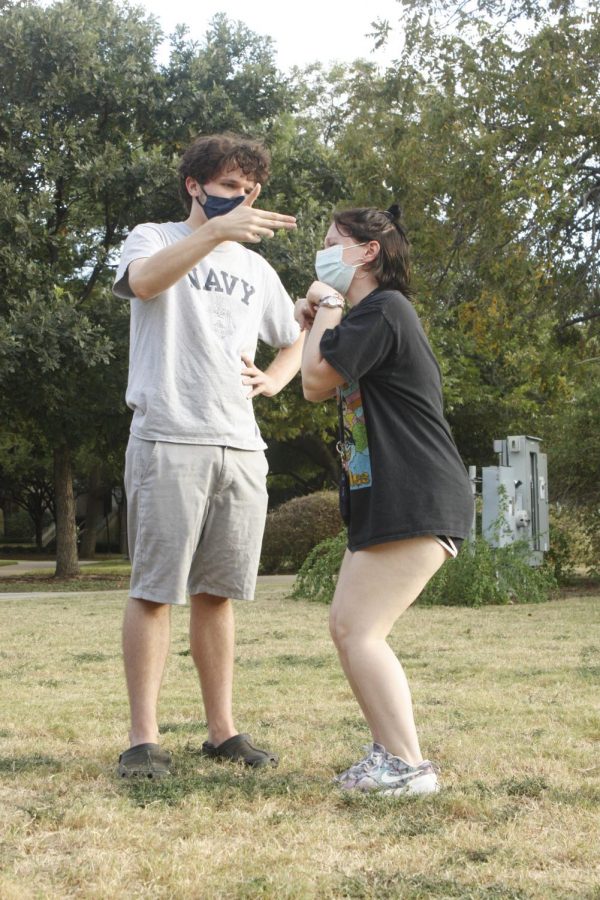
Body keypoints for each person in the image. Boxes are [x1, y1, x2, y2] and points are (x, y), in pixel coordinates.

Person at [112, 133, 303, 778]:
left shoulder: (258, 270)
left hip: (241, 444)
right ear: (194, 186)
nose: (242, 200)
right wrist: (219, 233)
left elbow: (296, 335)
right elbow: (142, 284)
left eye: (250, 192)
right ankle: (144, 738)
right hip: (168, 435)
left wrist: (277, 378)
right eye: (229, 188)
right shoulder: (154, 237)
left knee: (216, 594)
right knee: (154, 591)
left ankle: (222, 732)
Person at [295, 204, 474, 796]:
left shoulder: (385, 309)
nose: (322, 252)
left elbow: (315, 383)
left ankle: (406, 765)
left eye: (332, 242)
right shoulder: (370, 316)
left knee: (360, 630)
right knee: (350, 627)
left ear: (367, 251)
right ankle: (391, 757)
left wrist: (326, 306)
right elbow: (318, 366)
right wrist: (320, 318)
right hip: (392, 496)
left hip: (414, 492)